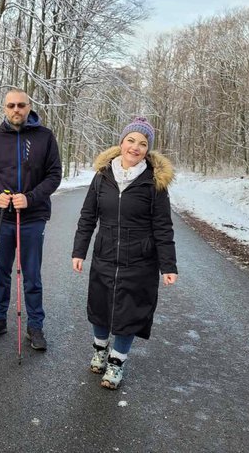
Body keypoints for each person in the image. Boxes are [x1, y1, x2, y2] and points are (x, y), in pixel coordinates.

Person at [71, 117, 178, 389]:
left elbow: (163, 227)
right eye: (131, 140)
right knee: (100, 306)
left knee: (129, 313)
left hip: (140, 260)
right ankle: (99, 349)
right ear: (121, 143)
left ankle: (116, 364)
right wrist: (79, 251)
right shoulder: (102, 177)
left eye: (143, 144)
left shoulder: (154, 183)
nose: (135, 147)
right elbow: (87, 217)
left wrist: (168, 266)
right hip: (105, 254)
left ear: (147, 150)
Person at [0, 88, 62, 350]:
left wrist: (32, 197)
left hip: (32, 217)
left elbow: (54, 175)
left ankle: (35, 325)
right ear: (4, 109)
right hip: (1, 216)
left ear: (29, 107)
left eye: (21, 105)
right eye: (11, 105)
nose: (16, 110)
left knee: (32, 275)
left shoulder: (45, 137)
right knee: (1, 271)